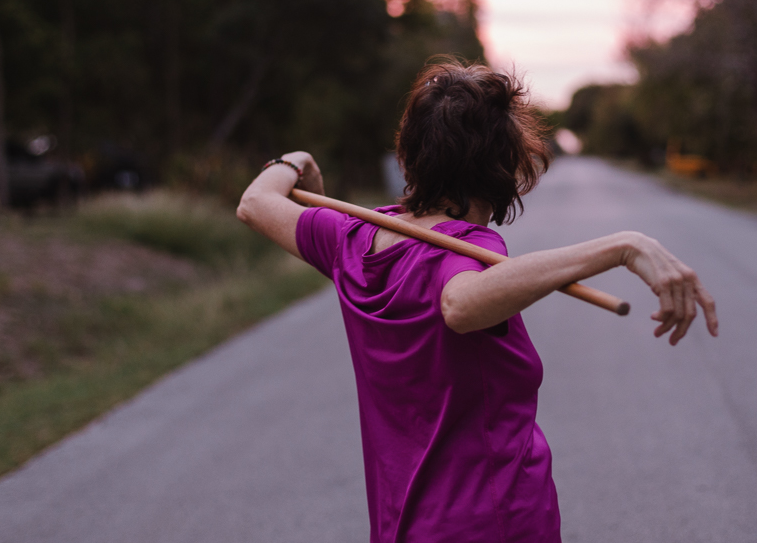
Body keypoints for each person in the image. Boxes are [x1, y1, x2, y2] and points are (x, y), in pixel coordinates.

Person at [237, 59, 718, 543]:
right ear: (506, 166)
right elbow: (460, 305)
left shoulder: (352, 239)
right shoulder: (470, 250)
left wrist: (296, 160)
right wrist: (621, 246)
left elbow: (256, 203)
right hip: (492, 524)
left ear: (408, 157)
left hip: (401, 527)